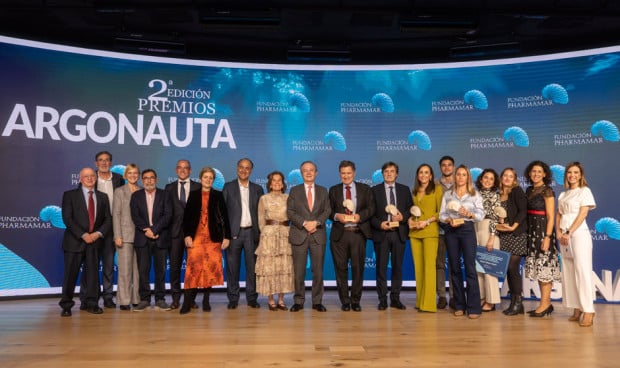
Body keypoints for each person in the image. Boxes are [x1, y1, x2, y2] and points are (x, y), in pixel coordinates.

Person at [59, 167, 112, 316]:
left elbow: (108, 219)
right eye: (86, 176)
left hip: (95, 242)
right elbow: (67, 218)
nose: (89, 178)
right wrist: (83, 234)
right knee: (70, 275)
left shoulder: (103, 197)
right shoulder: (69, 195)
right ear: (80, 179)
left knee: (93, 276)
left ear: (95, 178)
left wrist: (98, 233)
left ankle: (92, 303)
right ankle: (66, 305)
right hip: (74, 241)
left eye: (92, 176)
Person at [180, 167, 231, 314]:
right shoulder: (194, 194)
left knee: (209, 270)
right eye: (205, 177)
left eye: (210, 178)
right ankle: (187, 302)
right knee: (192, 270)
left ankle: (206, 300)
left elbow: (225, 217)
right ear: (200, 178)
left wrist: (226, 236)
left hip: (213, 238)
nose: (208, 180)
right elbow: (187, 218)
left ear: (213, 180)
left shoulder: (218, 195)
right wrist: (187, 235)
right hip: (196, 237)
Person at [329, 160, 375, 312]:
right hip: (339, 235)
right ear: (339, 174)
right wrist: (337, 216)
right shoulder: (334, 190)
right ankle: (345, 301)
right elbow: (328, 211)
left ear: (354, 173)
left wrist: (360, 216)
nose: (346, 176)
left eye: (349, 173)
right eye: (343, 173)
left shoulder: (365, 189)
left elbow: (371, 208)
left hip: (357, 233)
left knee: (358, 269)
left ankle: (355, 301)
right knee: (340, 269)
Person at [439, 165, 484, 319]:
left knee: (470, 268)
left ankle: (473, 307)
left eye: (463, 175)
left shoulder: (474, 194)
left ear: (468, 177)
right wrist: (448, 219)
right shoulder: (448, 194)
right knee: (455, 268)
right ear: (454, 176)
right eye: (458, 174)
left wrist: (469, 214)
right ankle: (459, 305)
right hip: (451, 230)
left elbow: (481, 214)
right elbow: (441, 215)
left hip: (467, 230)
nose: (460, 177)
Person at [80, 151, 124, 309]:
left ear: (111, 162)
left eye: (107, 160)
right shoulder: (90, 178)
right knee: (89, 265)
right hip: (92, 230)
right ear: (96, 163)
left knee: (108, 265)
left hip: (111, 228)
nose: (104, 163)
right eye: (101, 160)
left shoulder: (119, 179)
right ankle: (86, 297)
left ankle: (107, 297)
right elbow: (82, 204)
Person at [287, 161, 331, 312]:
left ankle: (317, 301)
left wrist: (317, 222)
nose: (308, 173)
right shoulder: (294, 191)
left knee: (318, 271)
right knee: (299, 271)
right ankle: (298, 301)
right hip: (299, 234)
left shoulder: (324, 191)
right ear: (301, 173)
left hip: (318, 235)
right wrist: (305, 223)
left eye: (311, 170)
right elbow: (290, 212)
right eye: (305, 170)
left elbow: (327, 210)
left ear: (316, 173)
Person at [556, 162, 596, 327]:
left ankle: (589, 310)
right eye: (569, 172)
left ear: (580, 175)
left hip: (578, 234)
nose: (572, 175)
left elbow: (583, 213)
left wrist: (569, 231)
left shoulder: (584, 191)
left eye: (575, 172)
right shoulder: (563, 195)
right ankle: (577, 307)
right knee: (569, 271)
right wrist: (559, 232)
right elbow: (559, 214)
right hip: (564, 236)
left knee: (582, 271)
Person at [370, 161, 413, 311]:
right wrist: (380, 224)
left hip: (399, 233)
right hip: (382, 233)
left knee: (397, 268)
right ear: (382, 174)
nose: (389, 173)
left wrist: (403, 217)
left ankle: (395, 298)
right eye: (386, 171)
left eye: (392, 171)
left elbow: (410, 210)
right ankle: (382, 299)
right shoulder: (374, 191)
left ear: (397, 174)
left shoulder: (405, 190)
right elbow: (370, 214)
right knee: (381, 269)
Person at [223, 158, 264, 309]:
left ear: (251, 171)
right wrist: (225, 235)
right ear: (237, 168)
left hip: (252, 233)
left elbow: (261, 213)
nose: (244, 170)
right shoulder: (228, 187)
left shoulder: (258, 189)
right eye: (241, 167)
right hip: (234, 234)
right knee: (232, 268)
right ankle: (233, 298)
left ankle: (252, 298)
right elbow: (223, 214)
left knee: (252, 267)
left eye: (247, 168)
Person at [130, 169, 173, 312]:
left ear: (156, 179)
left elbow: (168, 215)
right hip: (142, 239)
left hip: (160, 238)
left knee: (160, 271)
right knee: (143, 271)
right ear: (142, 180)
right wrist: (147, 231)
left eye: (152, 178)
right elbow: (135, 216)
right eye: (146, 178)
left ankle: (160, 299)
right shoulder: (136, 196)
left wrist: (154, 230)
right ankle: (145, 299)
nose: (149, 180)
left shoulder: (165, 195)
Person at [523, 160, 561, 318]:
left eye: (539, 171)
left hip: (543, 232)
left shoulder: (548, 191)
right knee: (539, 268)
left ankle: (545, 304)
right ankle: (545, 303)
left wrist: (547, 237)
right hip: (531, 232)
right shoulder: (529, 190)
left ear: (545, 174)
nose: (536, 174)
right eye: (533, 171)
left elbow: (551, 216)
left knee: (544, 267)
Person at [165, 159, 201, 309]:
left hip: (194, 234)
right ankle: (175, 298)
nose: (183, 170)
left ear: (190, 171)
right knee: (174, 267)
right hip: (174, 234)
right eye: (180, 168)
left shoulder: (198, 187)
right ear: (176, 170)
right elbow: (166, 211)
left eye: (186, 168)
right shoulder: (169, 188)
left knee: (193, 268)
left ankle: (190, 299)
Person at [255, 171, 294, 311]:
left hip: (284, 235)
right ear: (270, 184)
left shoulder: (288, 198)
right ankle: (271, 300)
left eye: (279, 181)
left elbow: (292, 215)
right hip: (269, 236)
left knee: (283, 267)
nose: (277, 183)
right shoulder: (263, 198)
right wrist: (266, 232)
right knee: (270, 268)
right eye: (274, 181)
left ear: (283, 184)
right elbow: (260, 218)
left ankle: (281, 300)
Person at [408, 163, 443, 313]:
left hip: (430, 231)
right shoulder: (414, 191)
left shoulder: (437, 189)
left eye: (426, 172)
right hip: (415, 233)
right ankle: (419, 301)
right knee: (419, 268)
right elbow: (413, 211)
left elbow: (441, 212)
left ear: (431, 175)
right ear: (417, 175)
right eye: (421, 172)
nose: (423, 175)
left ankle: (428, 304)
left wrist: (427, 221)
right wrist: (409, 220)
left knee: (429, 267)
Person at [495, 167, 528, 315]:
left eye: (511, 176)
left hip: (517, 235)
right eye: (505, 176)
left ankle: (517, 302)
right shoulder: (498, 195)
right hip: (504, 235)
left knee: (512, 268)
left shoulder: (517, 191)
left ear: (514, 179)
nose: (507, 178)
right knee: (509, 270)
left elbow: (523, 211)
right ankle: (516, 305)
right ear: (501, 178)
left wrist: (513, 227)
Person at [112, 164, 141, 311]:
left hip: (142, 236)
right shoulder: (119, 191)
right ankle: (124, 300)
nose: (133, 175)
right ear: (125, 175)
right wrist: (117, 235)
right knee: (124, 270)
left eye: (135, 173)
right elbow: (116, 215)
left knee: (138, 271)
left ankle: (136, 299)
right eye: (130, 173)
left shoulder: (143, 191)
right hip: (124, 235)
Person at [474, 169, 501, 312]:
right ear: (481, 179)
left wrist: (492, 237)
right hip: (475, 228)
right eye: (486, 177)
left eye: (491, 179)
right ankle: (482, 298)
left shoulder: (496, 196)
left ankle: (492, 301)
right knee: (478, 268)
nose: (488, 181)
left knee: (489, 268)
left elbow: (496, 218)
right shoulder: (474, 194)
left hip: (488, 228)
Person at [435, 155, 456, 309]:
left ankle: (454, 296)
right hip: (439, 230)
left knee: (454, 265)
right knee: (439, 264)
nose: (447, 167)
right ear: (440, 167)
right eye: (444, 165)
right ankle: (441, 296)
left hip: (456, 230)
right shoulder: (434, 185)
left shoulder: (461, 183)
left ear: (453, 167)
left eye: (449, 165)